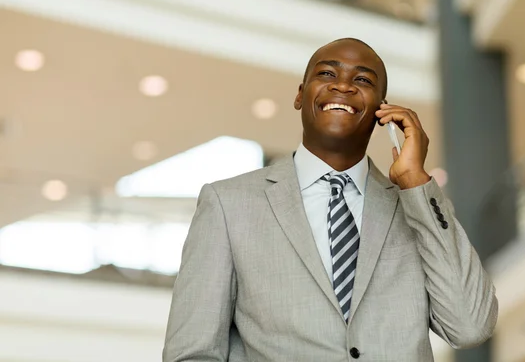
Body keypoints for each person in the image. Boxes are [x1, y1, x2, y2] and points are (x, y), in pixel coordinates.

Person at [163, 38, 498, 361]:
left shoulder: (416, 207)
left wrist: (415, 182)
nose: (344, 86)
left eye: (363, 79)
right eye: (326, 74)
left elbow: (470, 326)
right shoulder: (227, 204)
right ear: (300, 94)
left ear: (383, 110)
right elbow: (192, 353)